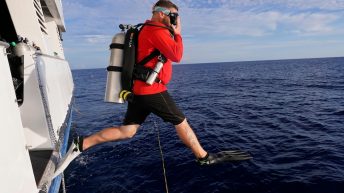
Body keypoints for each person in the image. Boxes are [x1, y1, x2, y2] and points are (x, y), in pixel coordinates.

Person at [53, 0, 251, 178]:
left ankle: (82, 143)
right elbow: (176, 55)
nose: (175, 20)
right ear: (162, 13)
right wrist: (178, 35)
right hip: (151, 90)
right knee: (180, 121)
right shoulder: (156, 30)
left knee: (128, 131)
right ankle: (203, 157)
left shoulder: (146, 29)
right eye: (174, 16)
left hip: (139, 90)